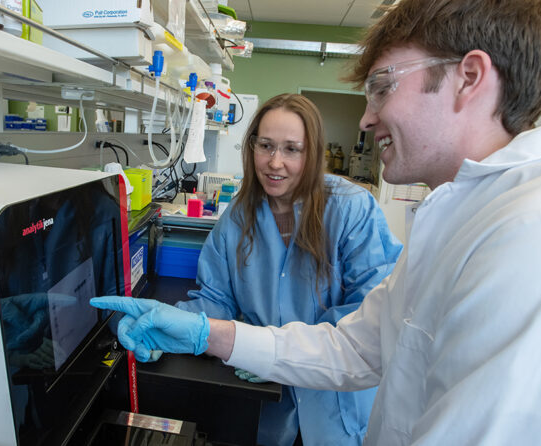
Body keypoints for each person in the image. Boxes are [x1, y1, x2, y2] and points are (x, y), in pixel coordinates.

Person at [93, 0, 541, 444]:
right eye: (266, 146)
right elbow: (356, 346)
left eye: (382, 87)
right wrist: (208, 334)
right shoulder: (465, 213)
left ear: (468, 78)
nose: (365, 118)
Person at [172, 93, 402, 446]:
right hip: (267, 411)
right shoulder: (236, 217)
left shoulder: (351, 209)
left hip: (336, 409)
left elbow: (370, 314)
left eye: (292, 149)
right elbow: (216, 299)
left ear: (312, 154)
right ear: (252, 148)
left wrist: (273, 352)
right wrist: (173, 325)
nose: (275, 162)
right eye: (266, 146)